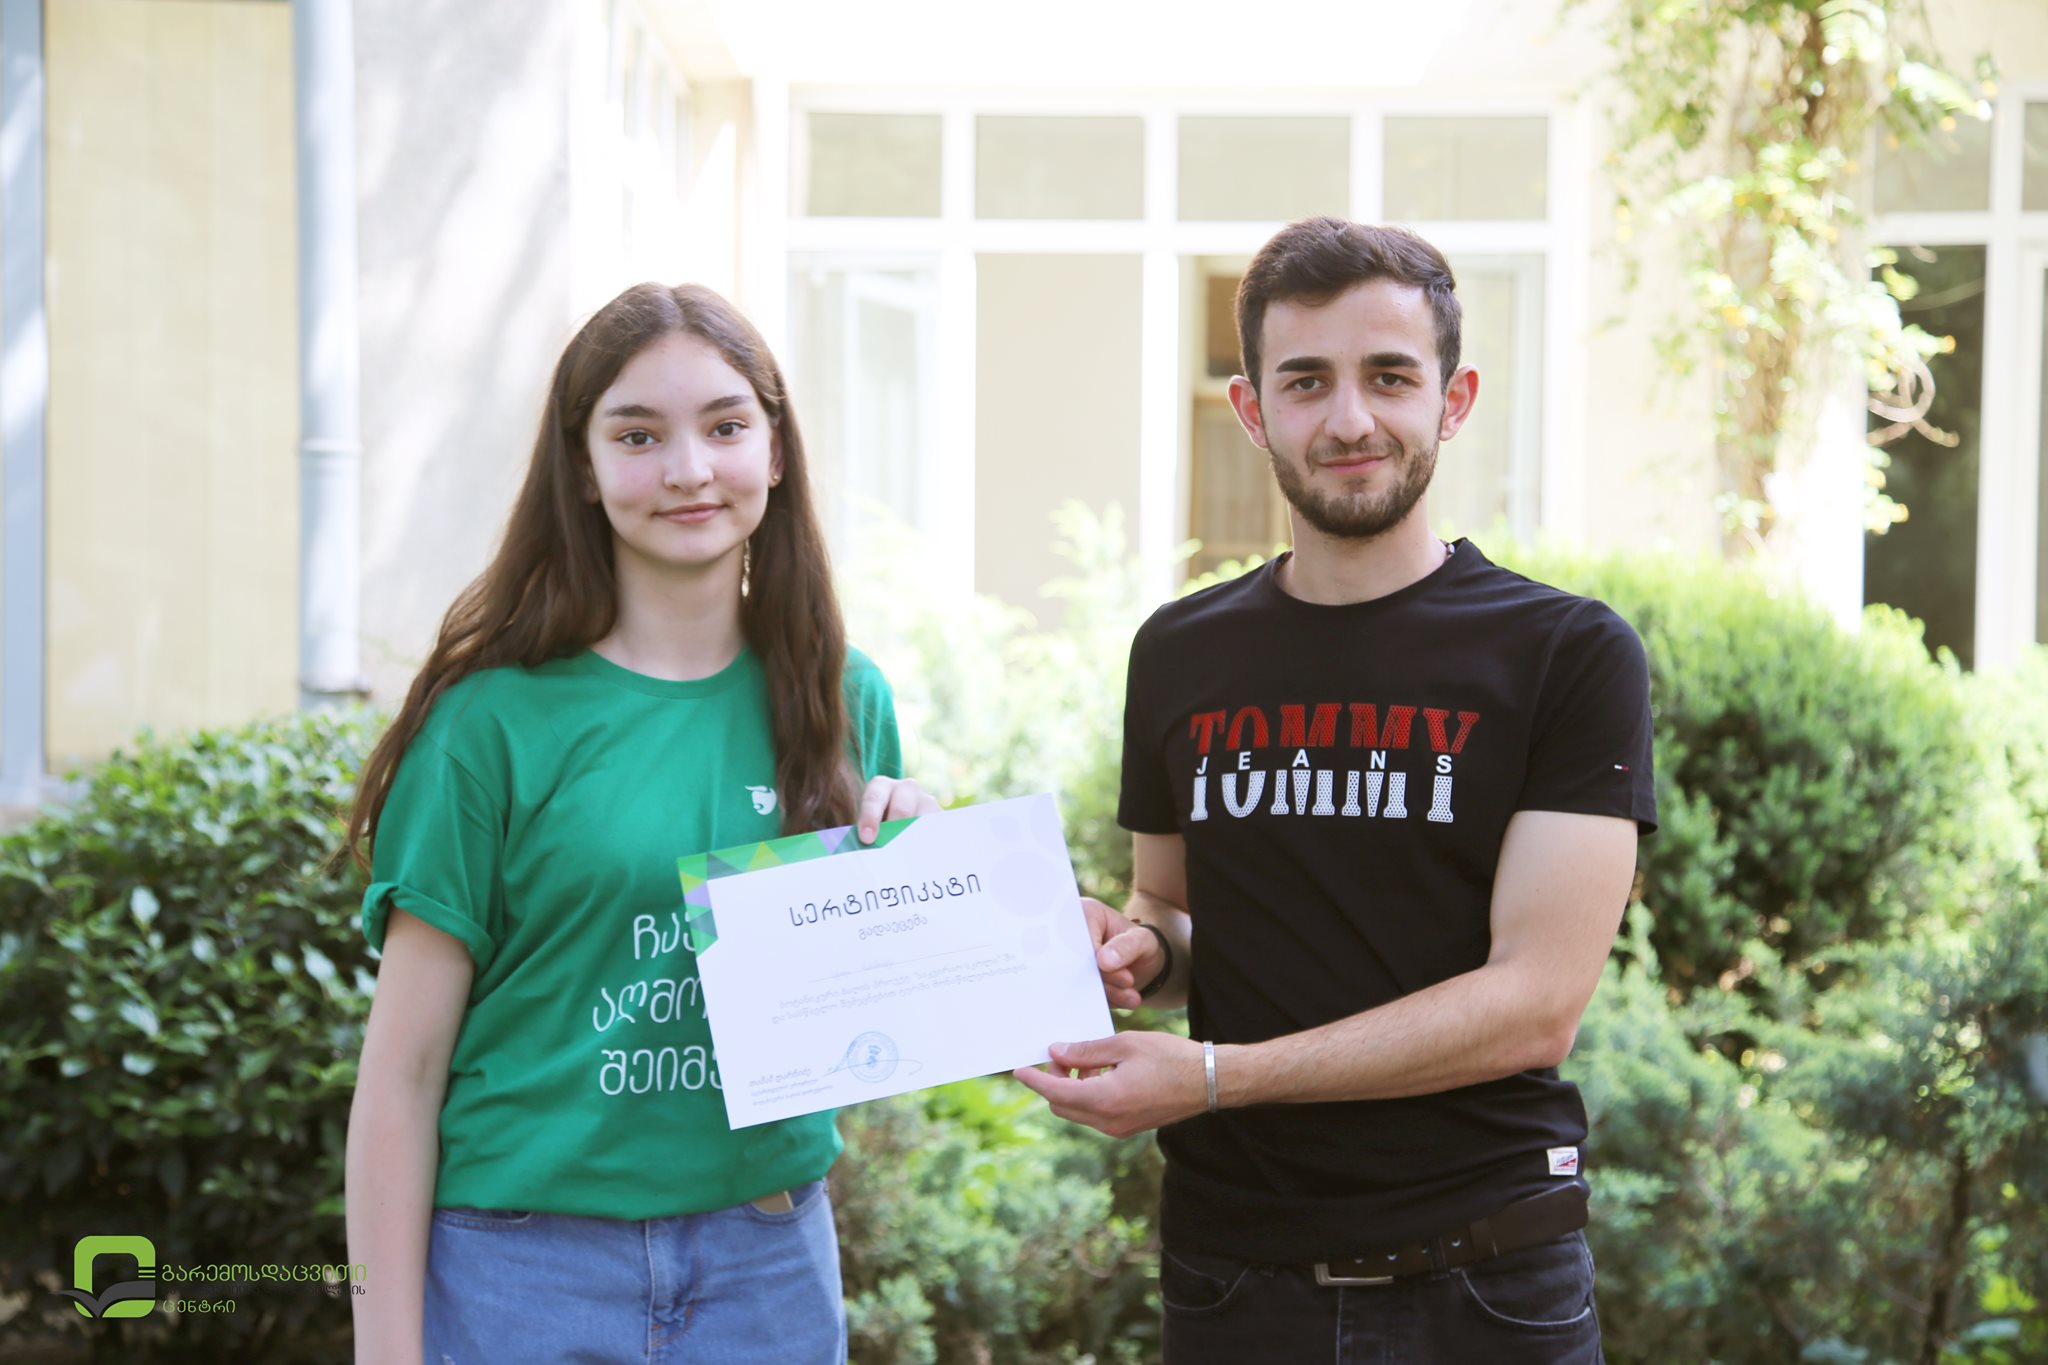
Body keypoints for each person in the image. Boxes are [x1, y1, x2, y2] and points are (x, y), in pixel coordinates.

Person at [1015, 218, 1657, 1364]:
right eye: (1305, 381)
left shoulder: (1562, 653)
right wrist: (1137, 955)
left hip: (1486, 1281)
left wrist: (1215, 1078)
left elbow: (1533, 1003)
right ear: (1250, 408)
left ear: (1452, 400)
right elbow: (1171, 909)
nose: (1348, 419)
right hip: (1235, 1280)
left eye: (1388, 377)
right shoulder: (1178, 651)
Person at [342, 282, 935, 1365]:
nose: (688, 469)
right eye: (637, 435)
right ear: (582, 466)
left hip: (767, 1263)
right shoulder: (488, 724)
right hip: (523, 1270)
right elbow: (402, 1073)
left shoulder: (844, 699)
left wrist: (913, 887)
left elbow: (866, 1029)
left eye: (725, 426)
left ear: (776, 450)